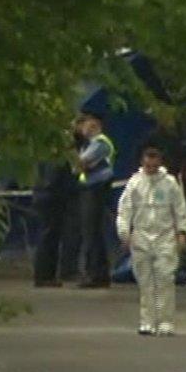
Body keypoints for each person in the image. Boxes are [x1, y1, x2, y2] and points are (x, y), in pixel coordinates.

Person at [117, 147, 186, 336]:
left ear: (160, 163)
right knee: (145, 281)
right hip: (141, 236)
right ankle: (147, 321)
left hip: (164, 236)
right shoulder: (135, 183)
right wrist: (124, 233)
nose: (151, 168)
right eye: (148, 165)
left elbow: (180, 209)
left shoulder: (170, 184)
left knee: (165, 279)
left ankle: (165, 321)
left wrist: (181, 232)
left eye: (154, 165)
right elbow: (125, 210)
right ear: (143, 162)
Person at [140, 114, 186, 276]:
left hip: (181, 185)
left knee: (184, 222)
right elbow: (140, 158)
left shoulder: (185, 137)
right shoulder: (153, 138)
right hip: (158, 187)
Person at [32, 126, 85, 286]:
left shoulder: (45, 152)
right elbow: (55, 178)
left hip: (45, 195)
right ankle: (45, 276)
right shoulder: (58, 156)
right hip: (53, 197)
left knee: (49, 236)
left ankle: (46, 274)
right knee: (50, 236)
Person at [75, 112, 115, 288]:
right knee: (93, 233)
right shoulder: (88, 144)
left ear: (97, 127)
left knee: (92, 232)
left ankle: (94, 274)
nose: (85, 130)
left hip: (96, 189)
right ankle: (98, 273)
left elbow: (81, 163)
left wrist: (79, 164)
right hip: (89, 189)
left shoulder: (100, 142)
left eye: (90, 127)